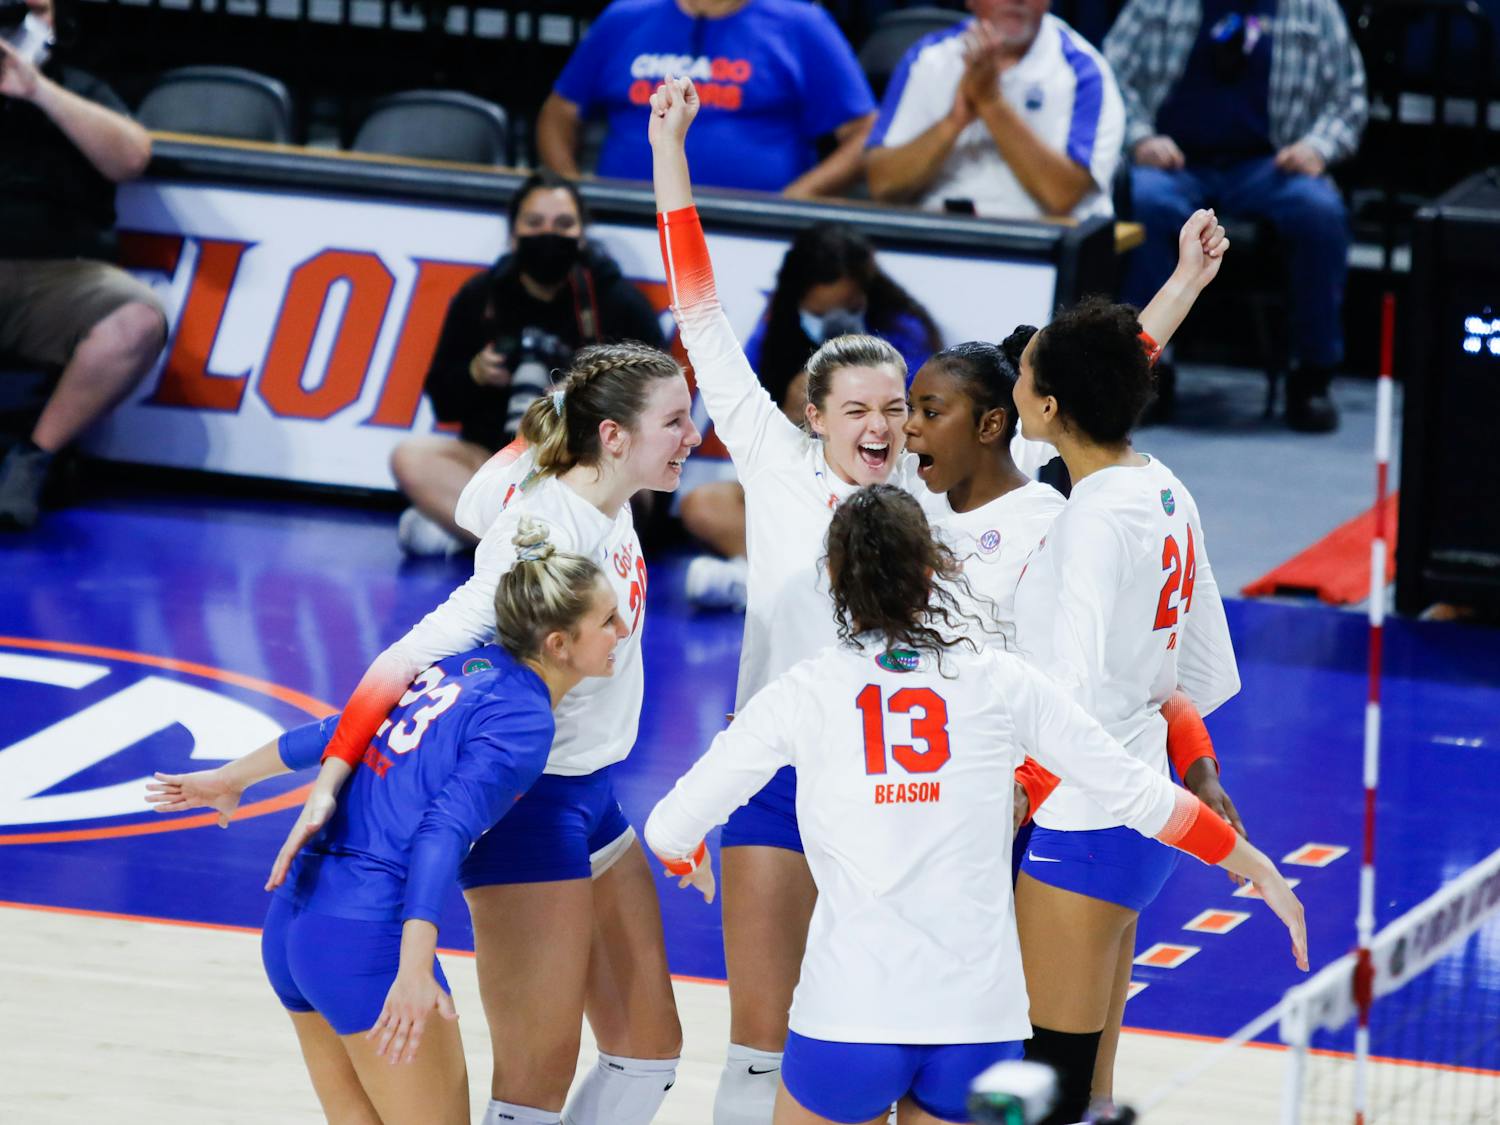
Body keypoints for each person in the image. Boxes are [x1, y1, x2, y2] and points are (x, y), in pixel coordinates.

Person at [643, 485, 1309, 1125]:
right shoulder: (1002, 681)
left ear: (835, 582)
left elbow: (669, 826)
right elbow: (1138, 791)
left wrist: (687, 859)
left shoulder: (801, 693)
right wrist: (1257, 867)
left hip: (847, 1020)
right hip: (976, 1026)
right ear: (931, 572)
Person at [273, 341, 701, 1125]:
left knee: (648, 1052)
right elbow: (403, 662)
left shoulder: (587, 491)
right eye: (675, 421)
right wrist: (332, 773)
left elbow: (475, 502)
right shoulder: (541, 541)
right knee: (534, 1086)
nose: (693, 435)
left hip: (594, 793)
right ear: (613, 436)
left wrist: (552, 409)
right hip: (530, 808)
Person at [148, 519, 628, 1125]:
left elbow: (339, 730)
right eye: (608, 620)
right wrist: (413, 966)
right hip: (365, 942)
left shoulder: (461, 668)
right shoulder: (525, 721)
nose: (623, 630)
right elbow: (442, 831)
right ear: (558, 644)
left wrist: (232, 777)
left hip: (294, 927)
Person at [1008, 294, 1245, 1122]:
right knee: (1093, 1091)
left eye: (1023, 371)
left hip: (1085, 820)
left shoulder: (1090, 521)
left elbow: (1066, 697)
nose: (1013, 381)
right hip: (1143, 809)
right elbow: (1196, 662)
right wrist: (1198, 768)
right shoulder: (1165, 488)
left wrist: (1021, 791)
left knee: (1049, 1076)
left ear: (1048, 407)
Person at [1103, 0, 1368, 432]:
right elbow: (1110, 75)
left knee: (1319, 211)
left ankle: (1312, 373)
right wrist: (1140, 138)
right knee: (1145, 202)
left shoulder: (1313, 8)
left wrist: (1317, 147)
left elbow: (1349, 96)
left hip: (1269, 164)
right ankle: (1144, 368)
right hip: (1175, 161)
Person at [393, 170, 664, 556]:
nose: (548, 235)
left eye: (563, 224)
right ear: (513, 234)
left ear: (582, 235)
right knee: (412, 458)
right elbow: (443, 400)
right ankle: (540, 549)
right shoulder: (481, 296)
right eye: (535, 223)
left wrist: (585, 399)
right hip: (502, 461)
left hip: (585, 462)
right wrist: (475, 373)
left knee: (632, 488)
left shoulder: (618, 303)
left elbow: (659, 406)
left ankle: (486, 537)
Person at [681, 222, 942, 609]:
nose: (834, 320)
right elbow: (750, 415)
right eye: (821, 311)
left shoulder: (904, 335)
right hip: (806, 483)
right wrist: (789, 416)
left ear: (864, 292)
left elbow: (923, 421)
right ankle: (789, 583)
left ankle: (762, 584)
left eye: (847, 308)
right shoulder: (776, 332)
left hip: (882, 487)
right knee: (704, 503)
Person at [0, 0, 166, 530]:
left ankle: (31, 459)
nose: (17, 21)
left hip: (60, 277)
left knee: (136, 318)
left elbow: (131, 157)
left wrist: (37, 90)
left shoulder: (80, 87)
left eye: (33, 9)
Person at [536, 0, 877, 199]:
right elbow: (559, 112)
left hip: (757, 234)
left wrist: (795, 201)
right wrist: (572, 193)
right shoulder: (624, 18)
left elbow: (865, 131)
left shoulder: (801, 25)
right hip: (627, 224)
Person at [865, 0, 1124, 221]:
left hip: (1039, 246)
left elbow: (1062, 196)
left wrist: (991, 103)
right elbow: (883, 186)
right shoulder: (927, 58)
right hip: (933, 235)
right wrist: (955, 120)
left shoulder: (1084, 71)